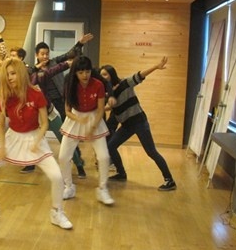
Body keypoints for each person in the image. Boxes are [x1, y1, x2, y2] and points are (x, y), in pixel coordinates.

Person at [0, 58, 73, 230]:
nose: (10, 77)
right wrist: (2, 145)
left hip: (35, 137)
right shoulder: (4, 97)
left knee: (57, 177)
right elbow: (1, 125)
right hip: (12, 138)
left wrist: (37, 140)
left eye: (13, 73)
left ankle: (57, 212)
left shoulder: (36, 94)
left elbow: (44, 124)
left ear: (21, 73)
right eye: (7, 74)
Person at [103, 56, 177, 191]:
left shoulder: (125, 83)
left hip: (139, 122)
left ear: (111, 74)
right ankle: (121, 173)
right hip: (126, 125)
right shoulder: (108, 93)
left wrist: (156, 66)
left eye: (105, 74)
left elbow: (140, 75)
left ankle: (169, 180)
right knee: (111, 146)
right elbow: (112, 106)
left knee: (151, 152)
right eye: (101, 75)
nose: (103, 77)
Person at [22, 35, 93, 175]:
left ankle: (78, 164)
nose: (45, 56)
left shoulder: (48, 68)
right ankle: (30, 164)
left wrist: (78, 46)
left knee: (65, 137)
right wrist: (35, 68)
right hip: (36, 112)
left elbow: (62, 62)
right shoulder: (31, 71)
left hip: (53, 105)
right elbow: (25, 74)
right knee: (34, 139)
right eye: (42, 54)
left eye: (47, 53)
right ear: (36, 55)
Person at [59, 56, 115, 204]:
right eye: (81, 72)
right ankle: (69, 187)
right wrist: (79, 119)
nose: (85, 75)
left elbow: (101, 109)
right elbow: (67, 111)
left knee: (104, 157)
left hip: (94, 118)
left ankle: (103, 189)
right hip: (75, 119)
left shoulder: (98, 84)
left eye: (88, 71)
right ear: (75, 73)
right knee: (63, 157)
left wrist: (92, 127)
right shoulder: (70, 85)